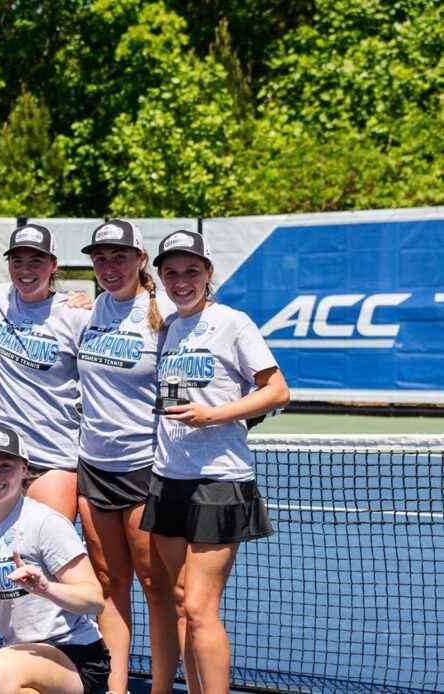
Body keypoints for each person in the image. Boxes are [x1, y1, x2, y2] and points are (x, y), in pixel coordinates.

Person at [143, 229, 289, 694]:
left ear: (208, 274)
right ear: (160, 278)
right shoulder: (166, 326)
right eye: (171, 273)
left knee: (201, 608)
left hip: (219, 481)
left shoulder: (233, 323)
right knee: (182, 600)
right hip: (168, 480)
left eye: (191, 271)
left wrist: (214, 416)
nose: (181, 281)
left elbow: (277, 391)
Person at [76, 220, 179, 694]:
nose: (108, 267)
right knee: (107, 583)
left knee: (156, 586)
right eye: (100, 258)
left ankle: (159, 689)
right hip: (93, 468)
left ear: (141, 260)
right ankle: (115, 689)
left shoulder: (166, 316)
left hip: (145, 468)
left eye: (119, 257)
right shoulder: (91, 307)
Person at [0, 425, 110, 694]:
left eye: (5, 466)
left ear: (24, 469)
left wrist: (46, 588)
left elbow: (94, 600)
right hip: (22, 655)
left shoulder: (44, 522)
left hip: (75, 654)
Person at [0, 224, 90, 521]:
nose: (25, 269)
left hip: (53, 456)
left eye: (36, 261)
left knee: (48, 558)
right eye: (17, 261)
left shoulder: (76, 315)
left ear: (53, 265)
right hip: (0, 452)